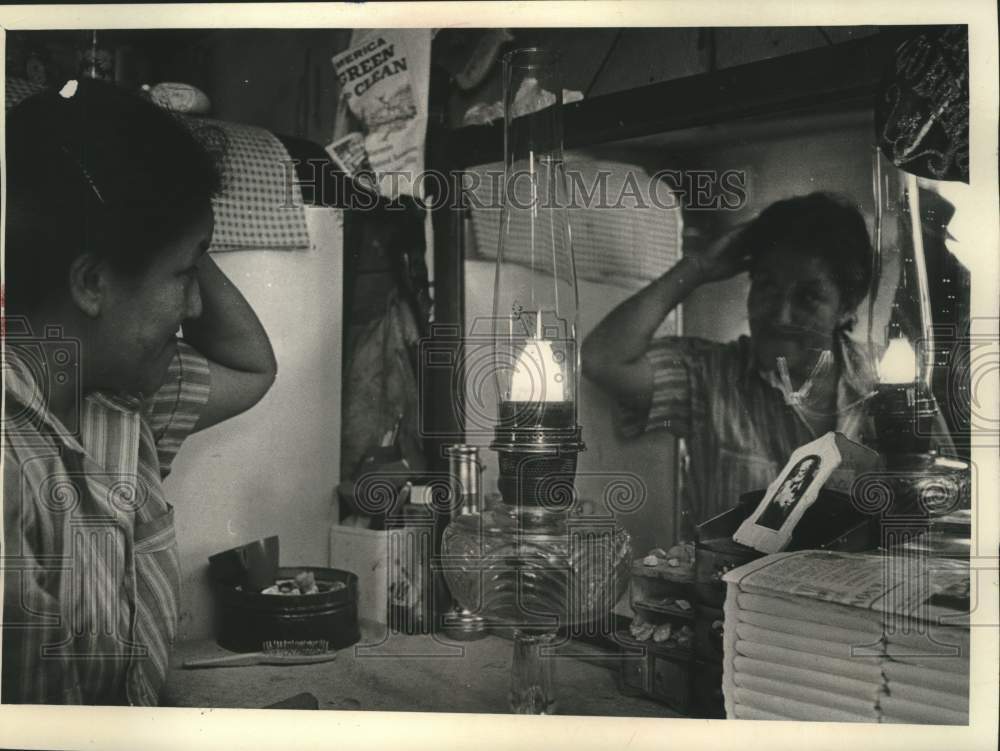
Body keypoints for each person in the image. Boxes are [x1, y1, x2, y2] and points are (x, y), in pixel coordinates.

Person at [2, 79, 277, 705]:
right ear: (93, 281)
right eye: (184, 273)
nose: (198, 304)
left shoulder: (120, 406)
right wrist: (153, 228)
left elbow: (253, 366)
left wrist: (170, 223)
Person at [581, 192, 877, 526]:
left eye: (808, 297)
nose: (781, 314)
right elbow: (601, 359)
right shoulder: (710, 374)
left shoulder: (884, 389)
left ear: (847, 306)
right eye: (767, 286)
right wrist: (697, 269)